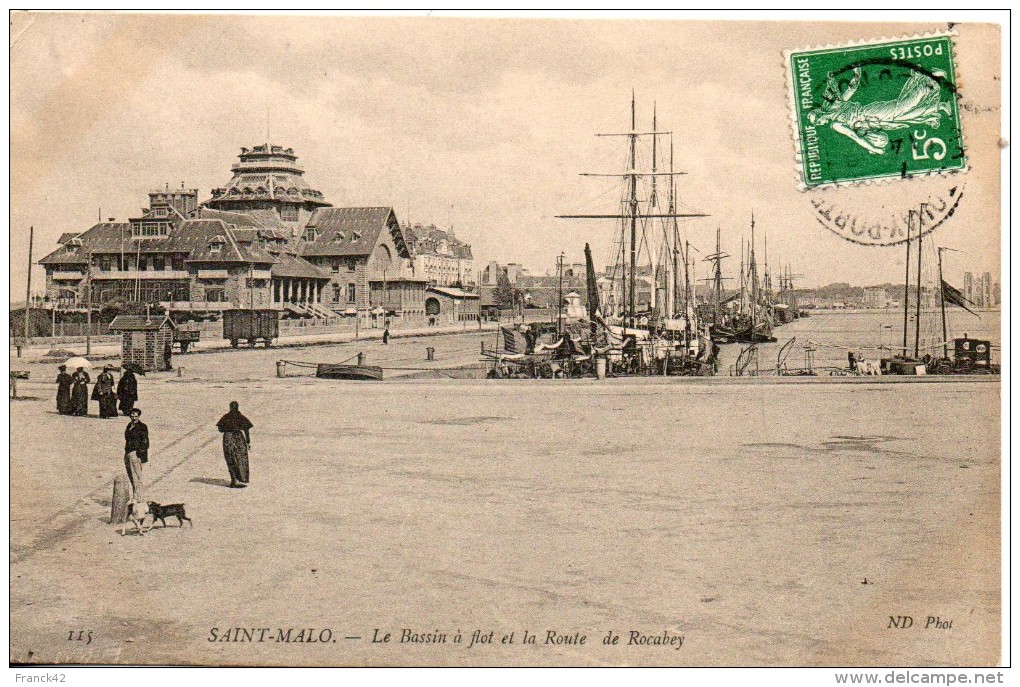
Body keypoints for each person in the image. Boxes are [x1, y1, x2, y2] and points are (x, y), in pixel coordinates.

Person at [216, 401, 252, 488]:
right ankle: (240, 478)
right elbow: (246, 429)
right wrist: (248, 442)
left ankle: (234, 480)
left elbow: (220, 429)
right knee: (240, 458)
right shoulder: (240, 417)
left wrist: (228, 428)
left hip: (228, 438)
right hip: (238, 438)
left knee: (230, 458)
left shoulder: (226, 417)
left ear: (230, 407)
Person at [123, 408, 149, 501]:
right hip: (128, 453)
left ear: (139, 416)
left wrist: (139, 453)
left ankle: (138, 498)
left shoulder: (142, 427)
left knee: (136, 477)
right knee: (131, 476)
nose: (134, 417)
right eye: (132, 416)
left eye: (136, 416)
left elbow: (145, 441)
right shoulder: (129, 425)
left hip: (135, 453)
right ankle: (136, 496)